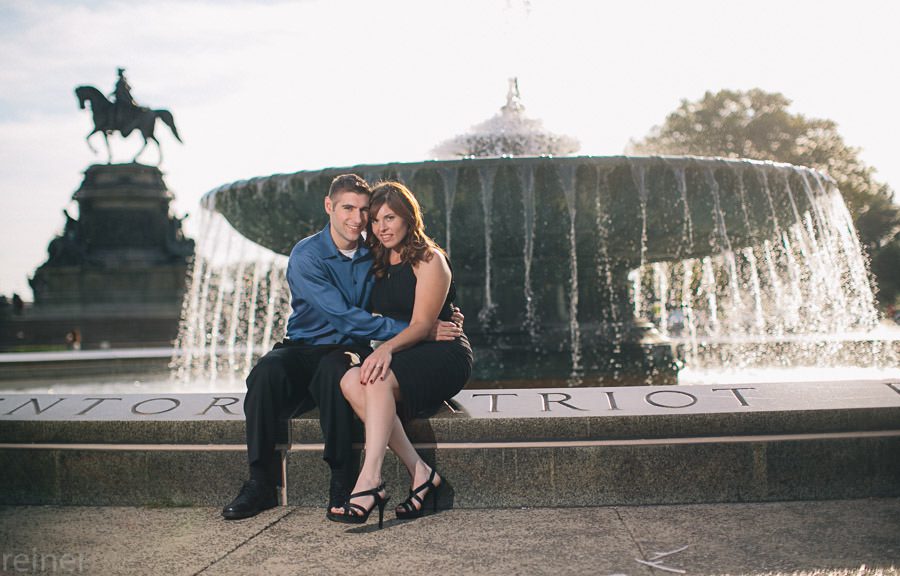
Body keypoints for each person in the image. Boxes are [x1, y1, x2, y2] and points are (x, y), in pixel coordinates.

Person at [221, 174, 463, 520]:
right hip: (302, 345)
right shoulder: (307, 255)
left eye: (365, 210)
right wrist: (418, 330)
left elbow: (413, 288)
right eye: (348, 208)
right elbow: (344, 316)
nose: (358, 219)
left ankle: (342, 480)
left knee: (338, 372)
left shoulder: (374, 254)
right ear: (329, 207)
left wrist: (446, 312)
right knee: (265, 374)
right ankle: (259, 482)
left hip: (345, 349)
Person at [327, 181, 473, 528]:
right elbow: (378, 314)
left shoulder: (429, 259)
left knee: (374, 379)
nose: (382, 227)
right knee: (350, 380)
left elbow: (424, 325)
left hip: (443, 353)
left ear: (408, 217)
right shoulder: (375, 261)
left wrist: (387, 348)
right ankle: (420, 472)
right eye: (375, 220)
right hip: (407, 353)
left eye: (390, 218)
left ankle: (370, 480)